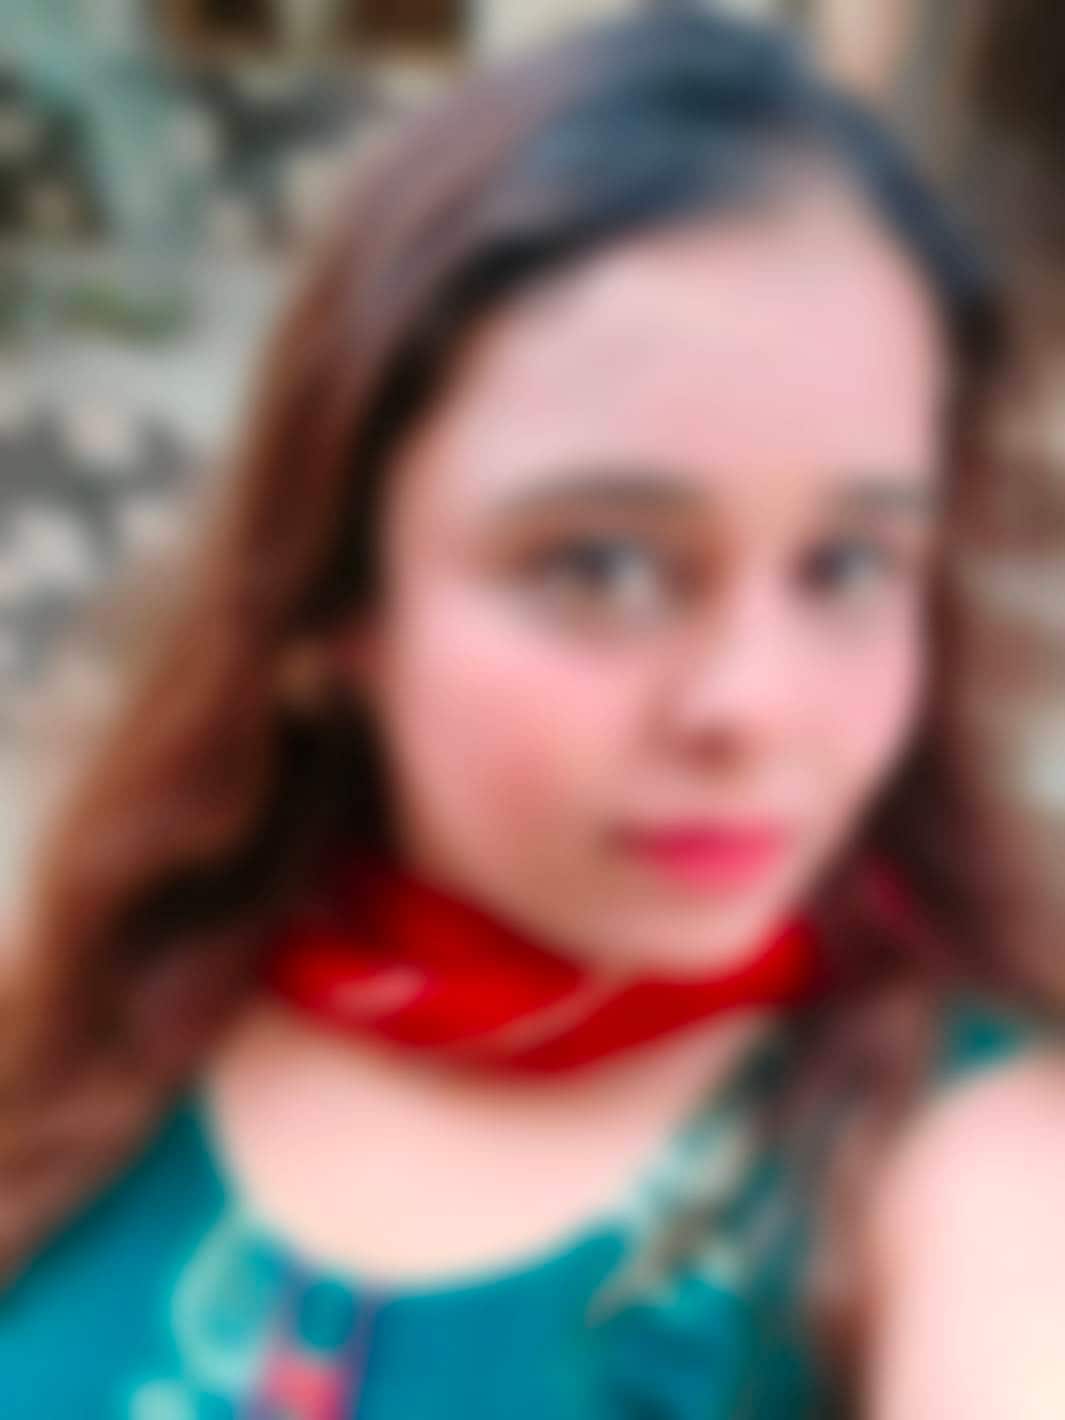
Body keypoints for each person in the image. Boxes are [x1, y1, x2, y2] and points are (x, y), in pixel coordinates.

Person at [2, 10, 1063, 1417]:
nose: (753, 706)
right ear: (333, 599)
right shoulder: (99, 1028)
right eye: (601, 568)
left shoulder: (955, 1178)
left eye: (848, 567)